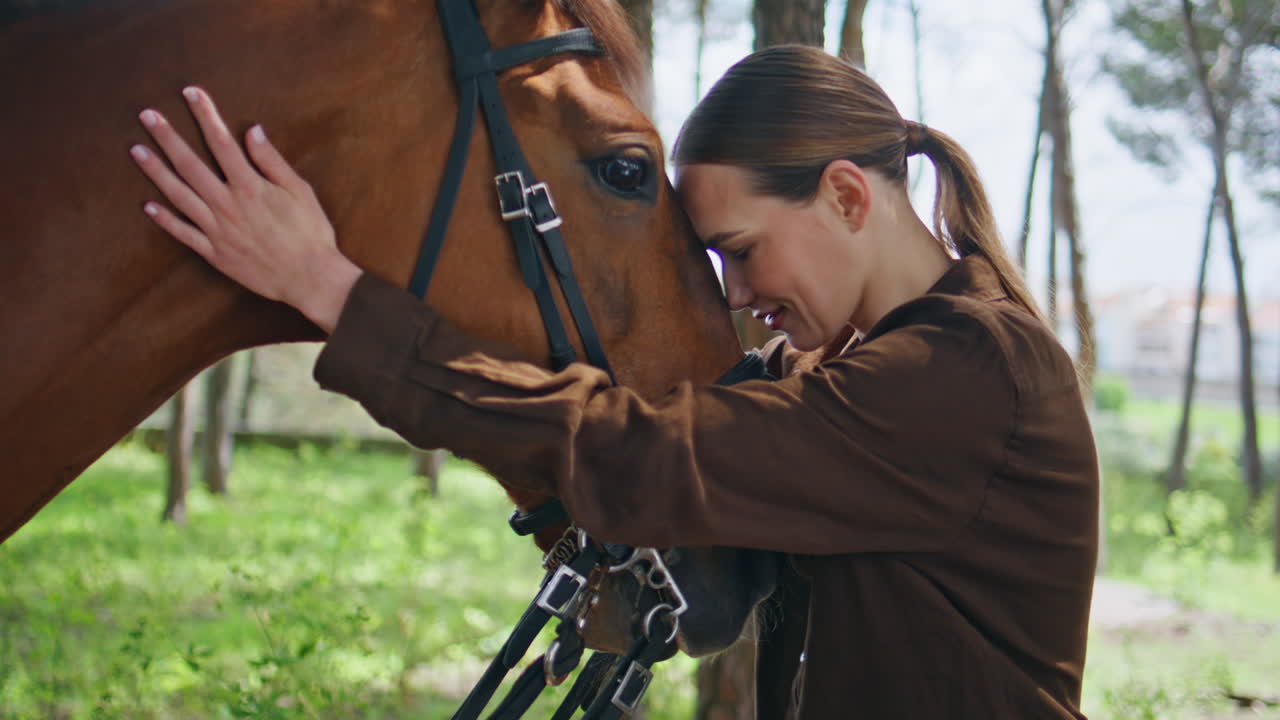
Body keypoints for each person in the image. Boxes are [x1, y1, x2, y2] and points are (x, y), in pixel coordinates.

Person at [128, 46, 1098, 719]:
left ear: (845, 195)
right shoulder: (855, 371)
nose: (737, 294)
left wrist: (333, 293)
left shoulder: (966, 373)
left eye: (742, 251)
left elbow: (637, 451)